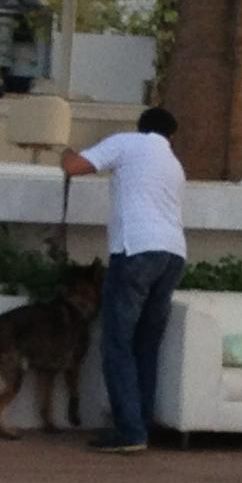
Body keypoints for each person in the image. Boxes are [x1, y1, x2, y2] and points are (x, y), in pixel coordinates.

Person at [61, 107, 186, 454]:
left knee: (118, 341)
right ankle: (142, 424)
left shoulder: (127, 143)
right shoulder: (174, 166)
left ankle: (129, 431)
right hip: (173, 255)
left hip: (136, 251)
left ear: (140, 127)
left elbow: (75, 168)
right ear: (171, 136)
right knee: (147, 344)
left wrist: (65, 151)